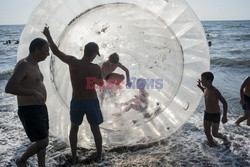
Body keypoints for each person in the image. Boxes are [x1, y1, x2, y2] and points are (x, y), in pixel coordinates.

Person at [43, 26, 104, 165]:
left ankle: (74, 156)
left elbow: (56, 52)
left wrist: (48, 35)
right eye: (96, 54)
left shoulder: (73, 62)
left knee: (74, 128)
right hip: (92, 101)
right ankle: (99, 155)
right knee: (96, 129)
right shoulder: (96, 68)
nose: (96, 56)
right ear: (94, 53)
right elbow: (100, 84)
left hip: (77, 101)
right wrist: (93, 80)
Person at [5, 38, 50, 167]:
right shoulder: (24, 64)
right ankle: (21, 160)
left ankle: (42, 165)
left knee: (43, 138)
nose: (48, 54)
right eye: (46, 50)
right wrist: (33, 93)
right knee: (43, 141)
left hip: (40, 107)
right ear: (36, 50)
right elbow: (9, 88)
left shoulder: (35, 64)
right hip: (29, 109)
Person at [197, 72, 228, 146]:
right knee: (206, 132)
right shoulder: (206, 88)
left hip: (215, 115)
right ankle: (212, 145)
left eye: (203, 80)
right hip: (207, 113)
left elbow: (224, 103)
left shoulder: (215, 91)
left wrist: (224, 116)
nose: (201, 81)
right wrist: (200, 86)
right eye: (201, 79)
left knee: (215, 134)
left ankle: (224, 137)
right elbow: (205, 92)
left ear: (209, 81)